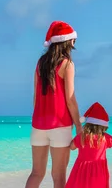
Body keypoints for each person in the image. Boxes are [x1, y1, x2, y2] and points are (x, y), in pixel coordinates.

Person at [26, 21, 84, 188]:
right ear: (68, 41)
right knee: (58, 175)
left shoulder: (40, 63)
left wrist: (37, 117)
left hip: (38, 125)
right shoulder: (67, 64)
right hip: (60, 125)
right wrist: (79, 126)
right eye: (74, 40)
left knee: (37, 173)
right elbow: (70, 99)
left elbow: (35, 97)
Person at [65, 102, 112, 188]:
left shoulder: (82, 137)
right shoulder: (104, 137)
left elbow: (71, 147)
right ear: (103, 126)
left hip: (81, 171)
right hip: (98, 172)